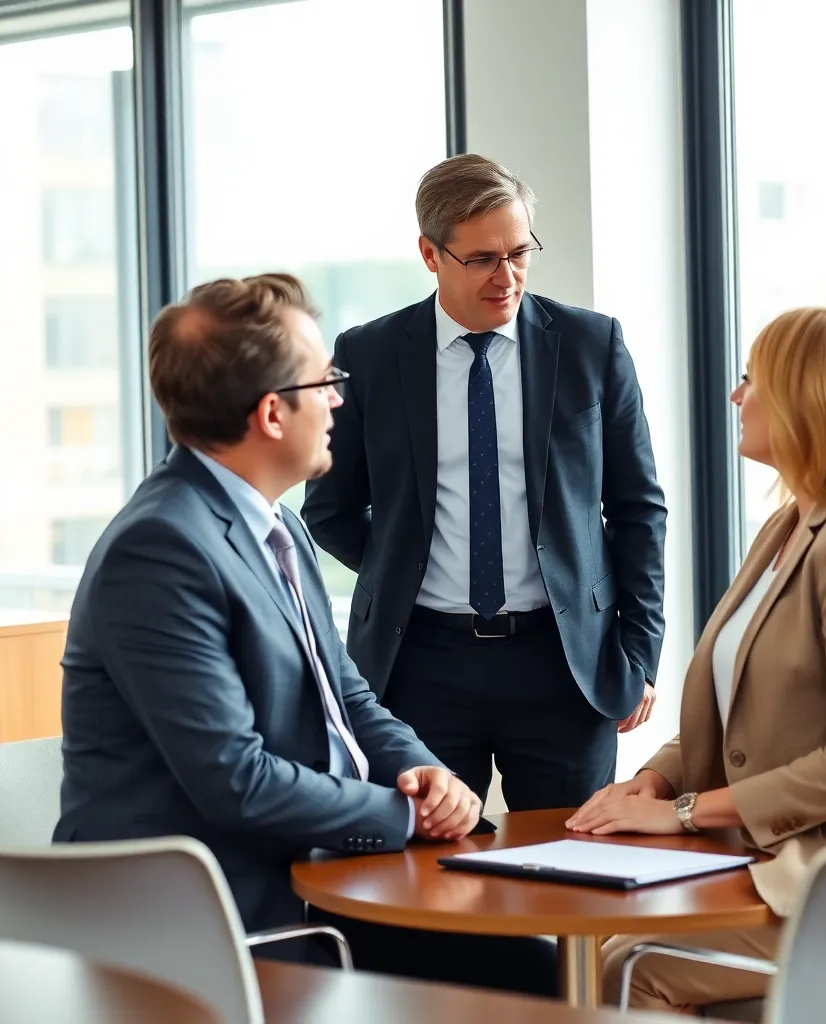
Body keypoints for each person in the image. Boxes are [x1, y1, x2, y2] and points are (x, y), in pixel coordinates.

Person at [53, 273, 556, 996]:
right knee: (519, 978)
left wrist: (429, 776)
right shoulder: (160, 549)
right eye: (325, 382)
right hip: (213, 919)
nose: (338, 400)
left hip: (305, 879)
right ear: (271, 414)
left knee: (524, 963)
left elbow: (345, 695)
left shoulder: (275, 522)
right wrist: (399, 814)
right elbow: (237, 779)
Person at [566, 306, 826, 1014]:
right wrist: (656, 777)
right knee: (622, 950)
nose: (735, 397)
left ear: (807, 398)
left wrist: (688, 812)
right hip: (818, 867)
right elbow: (744, 707)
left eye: (750, 380)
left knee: (636, 966)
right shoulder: (789, 526)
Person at [302, 154, 667, 811]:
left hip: (563, 663)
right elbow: (327, 507)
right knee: (426, 879)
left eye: (519, 252)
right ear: (430, 253)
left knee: (571, 874)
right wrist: (405, 564)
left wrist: (639, 653)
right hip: (419, 664)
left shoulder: (591, 345)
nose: (508, 277)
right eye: (483, 259)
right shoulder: (369, 354)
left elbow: (639, 509)